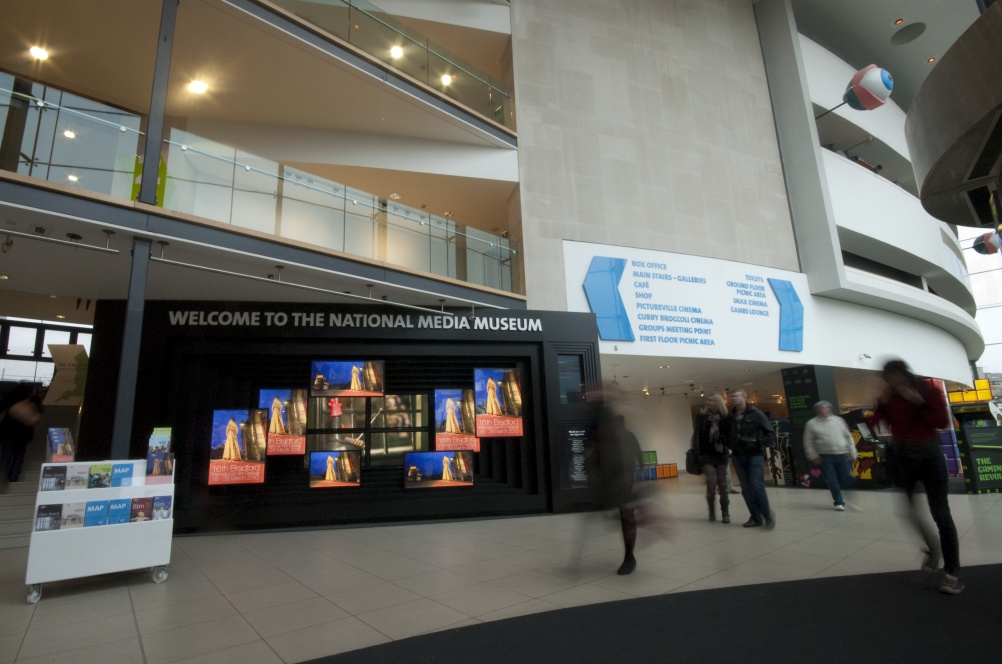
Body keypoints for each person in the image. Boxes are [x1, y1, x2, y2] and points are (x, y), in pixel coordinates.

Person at [866, 359, 963, 595]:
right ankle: (933, 550)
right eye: (887, 378)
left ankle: (952, 573)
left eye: (893, 376)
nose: (890, 382)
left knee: (940, 513)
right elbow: (873, 423)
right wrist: (876, 410)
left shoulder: (927, 390)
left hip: (929, 454)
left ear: (904, 373)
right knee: (907, 511)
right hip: (904, 455)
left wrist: (917, 401)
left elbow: (941, 422)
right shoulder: (889, 396)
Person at [727, 388, 776, 529]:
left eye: (736, 396)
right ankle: (755, 517)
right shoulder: (730, 417)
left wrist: (758, 444)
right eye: (731, 397)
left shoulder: (756, 414)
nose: (733, 399)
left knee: (757, 485)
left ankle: (767, 516)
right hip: (738, 455)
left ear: (744, 397)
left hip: (754, 454)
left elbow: (769, 434)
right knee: (746, 488)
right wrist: (729, 445)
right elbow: (727, 434)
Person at [803, 400, 857, 511]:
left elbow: (848, 437)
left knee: (846, 478)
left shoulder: (838, 421)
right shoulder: (811, 424)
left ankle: (850, 499)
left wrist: (853, 452)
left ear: (829, 409)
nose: (823, 410)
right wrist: (813, 456)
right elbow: (808, 442)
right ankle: (839, 502)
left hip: (842, 454)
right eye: (821, 408)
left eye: (825, 407)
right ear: (817, 410)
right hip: (825, 457)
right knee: (832, 480)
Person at [691, 393, 735, 523]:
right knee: (711, 482)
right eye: (707, 400)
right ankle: (711, 510)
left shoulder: (726, 417)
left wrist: (728, 446)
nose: (708, 402)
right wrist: (697, 452)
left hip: (721, 453)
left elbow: (731, 434)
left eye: (711, 400)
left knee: (722, 483)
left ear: (718, 402)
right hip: (706, 453)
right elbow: (697, 435)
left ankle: (725, 513)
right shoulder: (701, 417)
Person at [0, 383, 43, 482]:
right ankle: (14, 475)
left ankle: (3, 472)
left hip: (8, 430)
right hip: (24, 432)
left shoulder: (11, 397)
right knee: (19, 453)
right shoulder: (33, 400)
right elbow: (39, 412)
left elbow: (1, 407)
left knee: (6, 451)